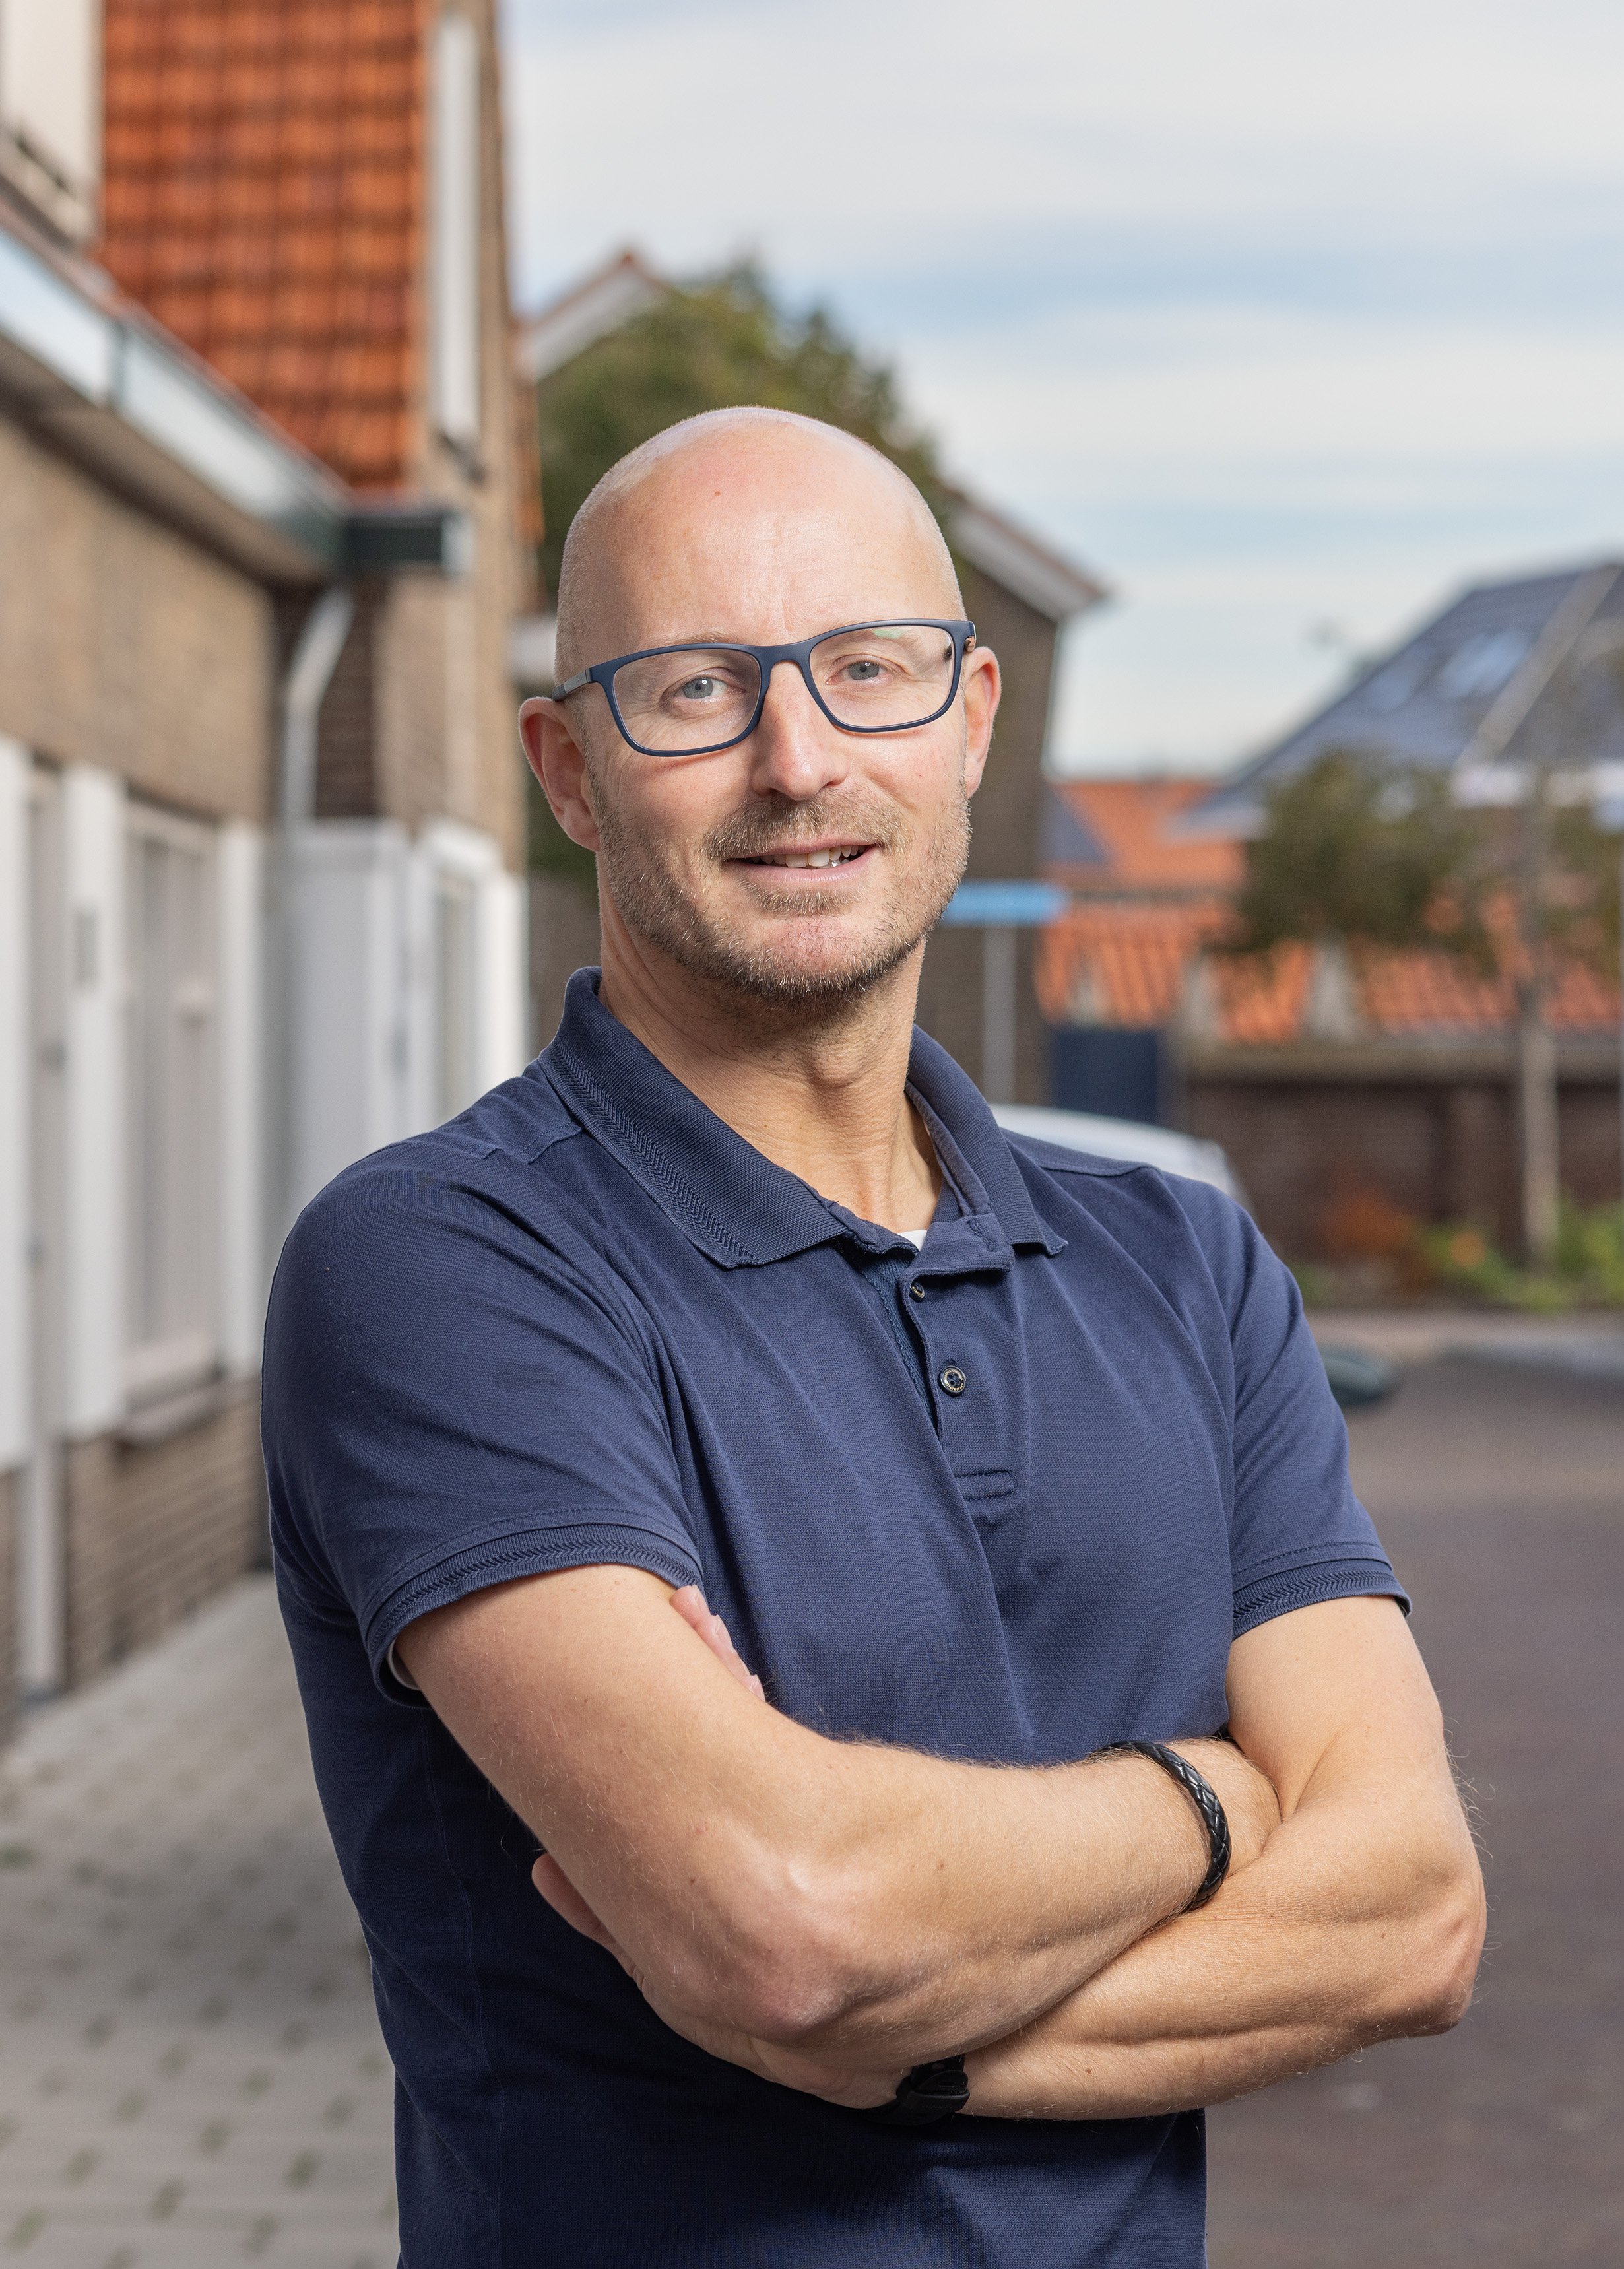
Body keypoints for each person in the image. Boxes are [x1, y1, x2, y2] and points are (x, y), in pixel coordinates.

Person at [263, 408, 1485, 2269]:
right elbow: (793, 1927)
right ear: (568, 767)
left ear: (973, 719)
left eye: (869, 671)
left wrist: (902, 2054)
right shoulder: (444, 1266)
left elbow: (1411, 1912)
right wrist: (1217, 1794)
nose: (798, 760)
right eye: (694, 691)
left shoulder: (1183, 1260)